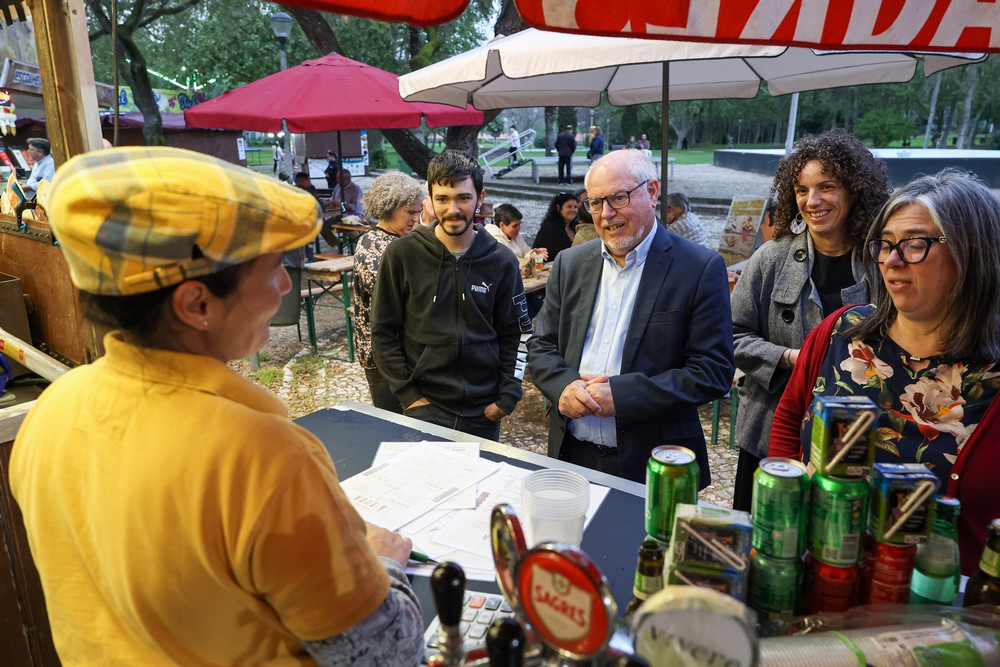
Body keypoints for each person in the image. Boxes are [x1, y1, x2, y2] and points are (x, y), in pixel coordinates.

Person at [9, 146, 423, 665]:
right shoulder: (264, 458)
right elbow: (388, 654)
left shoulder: (51, 413)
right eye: (273, 267)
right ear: (197, 304)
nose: (284, 285)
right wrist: (384, 565)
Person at [769, 170, 1000, 576]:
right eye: (885, 244)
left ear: (973, 253)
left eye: (915, 244)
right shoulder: (841, 331)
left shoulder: (991, 377)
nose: (891, 261)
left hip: (936, 614)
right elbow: (789, 419)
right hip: (816, 576)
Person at [526, 150, 735, 486]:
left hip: (653, 462)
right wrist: (562, 386)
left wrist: (623, 396)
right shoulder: (571, 263)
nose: (606, 214)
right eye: (595, 203)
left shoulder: (699, 268)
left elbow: (713, 372)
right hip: (571, 453)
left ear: (652, 192)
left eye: (618, 198)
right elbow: (541, 345)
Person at [730, 128, 890, 511]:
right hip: (770, 434)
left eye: (826, 187)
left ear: (855, 190)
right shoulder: (771, 258)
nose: (812, 201)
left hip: (857, 444)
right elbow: (729, 335)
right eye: (802, 190)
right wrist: (791, 358)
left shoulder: (884, 260)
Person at [372, 150, 531, 441]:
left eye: (463, 198)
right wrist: (409, 396)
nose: (452, 209)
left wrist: (507, 395)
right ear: (429, 200)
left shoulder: (502, 261)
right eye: (443, 199)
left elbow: (516, 333)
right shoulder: (401, 255)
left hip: (484, 411)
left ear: (480, 199)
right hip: (424, 409)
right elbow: (382, 333)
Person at [353, 172, 424, 414]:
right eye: (410, 213)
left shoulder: (405, 239)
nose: (416, 219)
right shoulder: (370, 245)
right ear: (390, 206)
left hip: (406, 353)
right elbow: (399, 296)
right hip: (380, 357)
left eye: (418, 212)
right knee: (393, 422)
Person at [533, 192, 578, 262]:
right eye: (569, 206)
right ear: (558, 207)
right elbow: (537, 253)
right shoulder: (549, 228)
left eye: (575, 207)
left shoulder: (576, 227)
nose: (573, 210)